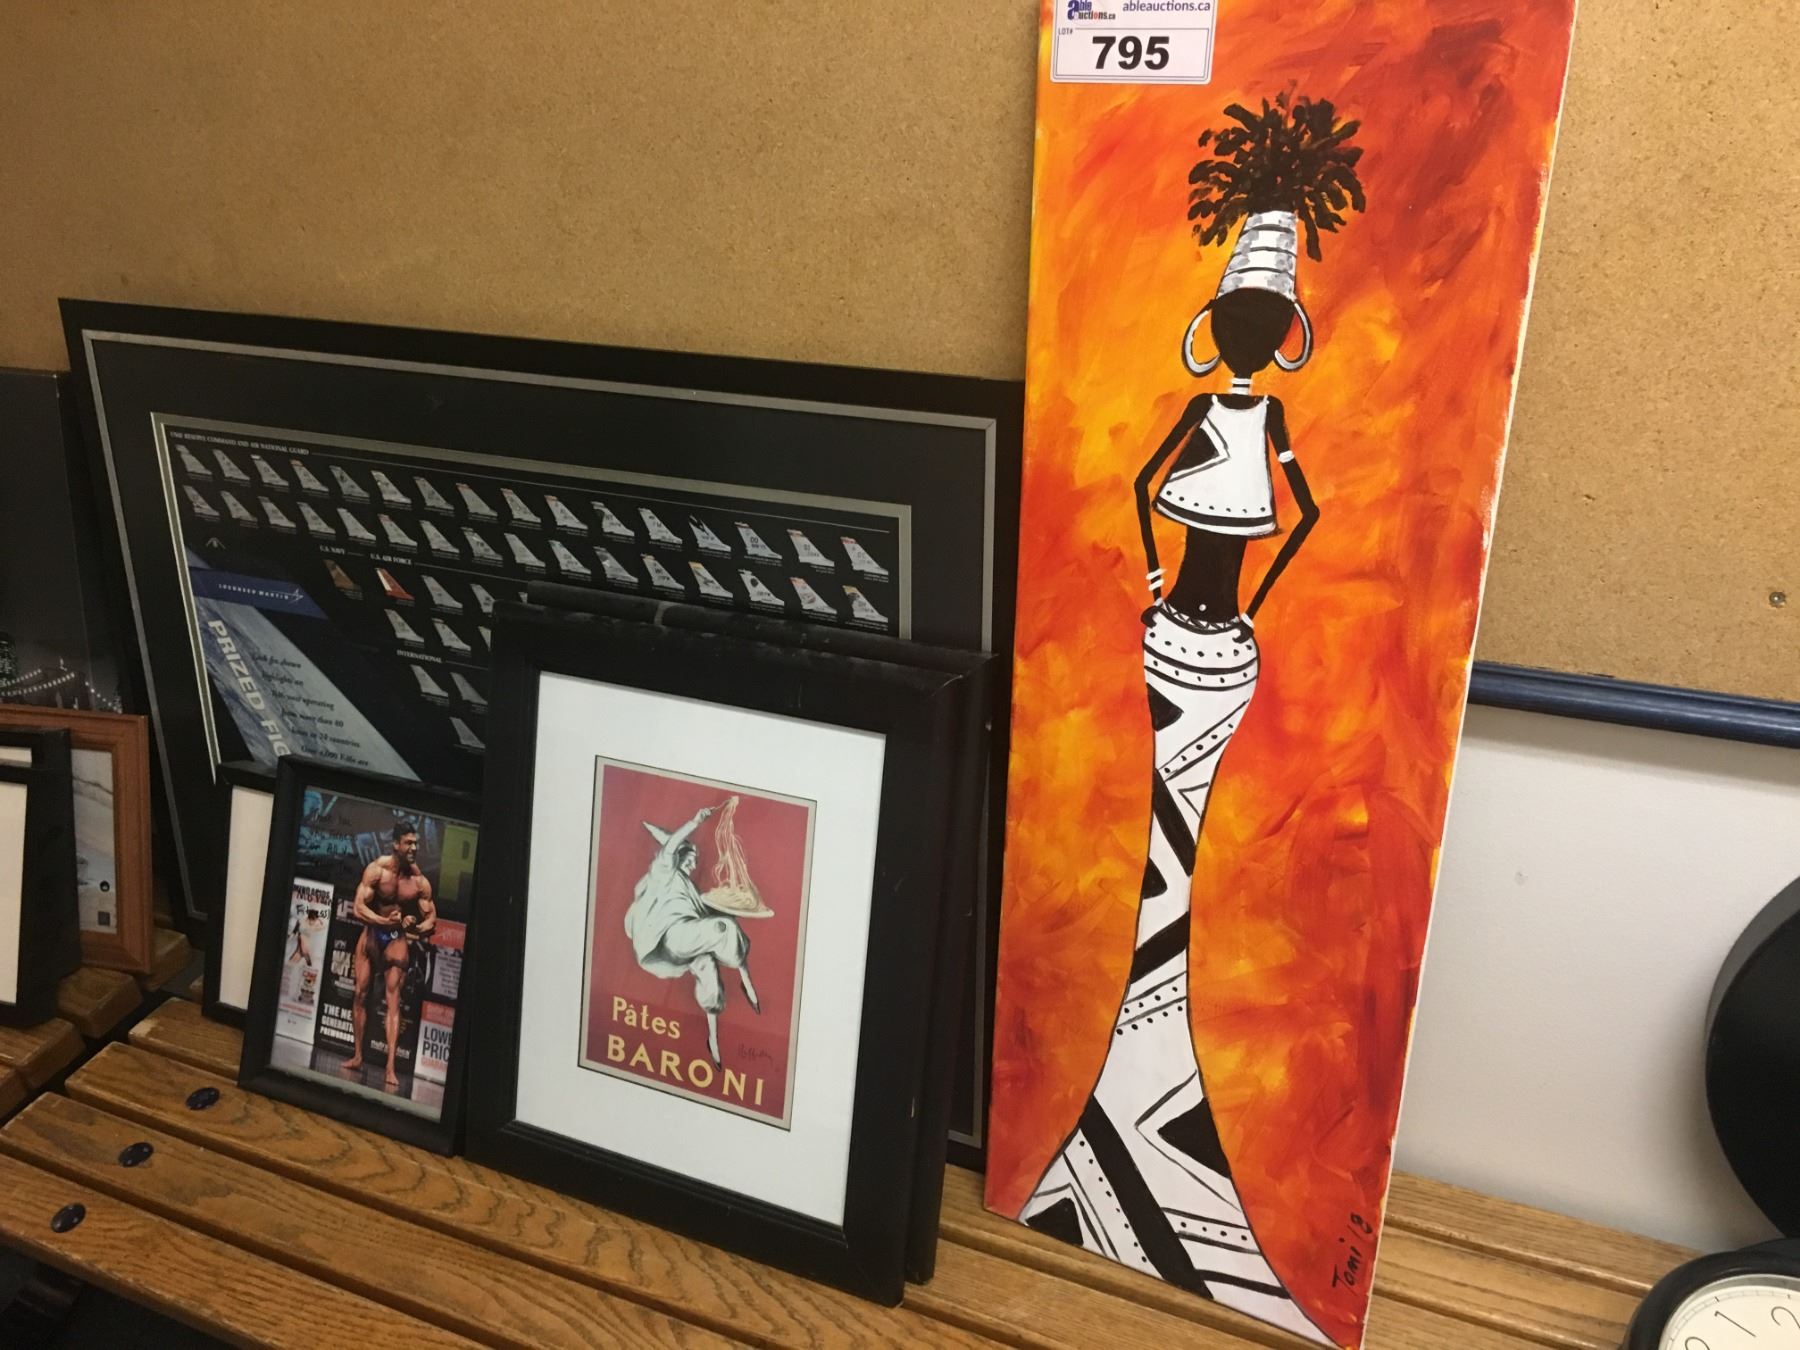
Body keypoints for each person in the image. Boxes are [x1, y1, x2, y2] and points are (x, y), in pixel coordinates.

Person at [624, 803, 759, 1065]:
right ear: (678, 857)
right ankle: (744, 975)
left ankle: (713, 1039)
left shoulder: (690, 889)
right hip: (673, 937)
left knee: (709, 969)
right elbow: (670, 846)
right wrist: (695, 822)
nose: (694, 863)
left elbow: (702, 912)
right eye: (690, 858)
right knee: (723, 928)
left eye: (695, 859)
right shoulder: (664, 872)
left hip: (684, 946)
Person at [344, 821, 435, 1090]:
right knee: (360, 993)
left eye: (416, 843)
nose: (414, 848)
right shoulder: (377, 870)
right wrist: (383, 922)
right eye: (408, 843)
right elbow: (358, 907)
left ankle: (391, 1067)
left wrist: (414, 927)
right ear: (396, 844)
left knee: (394, 1001)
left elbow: (432, 921)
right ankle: (358, 1056)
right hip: (373, 935)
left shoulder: (419, 882)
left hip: (396, 938)